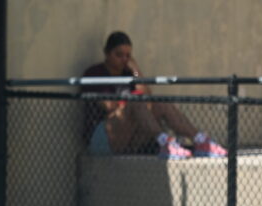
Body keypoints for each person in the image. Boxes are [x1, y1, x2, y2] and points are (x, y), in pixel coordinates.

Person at [82, 31, 227, 159]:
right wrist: (134, 103)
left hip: (129, 137)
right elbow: (109, 106)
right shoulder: (95, 73)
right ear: (107, 53)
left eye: (128, 56)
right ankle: (166, 143)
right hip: (102, 138)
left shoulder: (128, 73)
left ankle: (201, 141)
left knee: (159, 103)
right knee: (135, 101)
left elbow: (147, 96)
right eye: (119, 55)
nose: (124, 60)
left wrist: (136, 70)